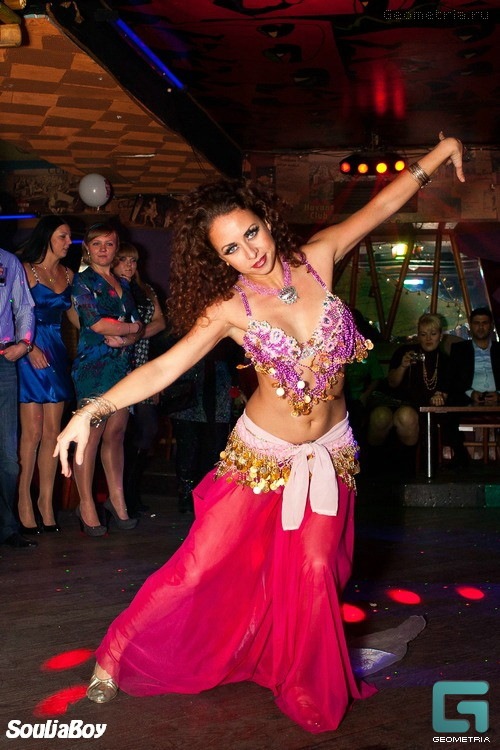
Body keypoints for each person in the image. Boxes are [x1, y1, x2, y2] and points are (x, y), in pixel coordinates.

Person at [55, 134, 464, 733]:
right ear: (220, 259)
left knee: (317, 569)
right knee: (198, 568)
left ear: (267, 222)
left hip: (330, 453)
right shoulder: (229, 308)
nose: (250, 252)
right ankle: (115, 652)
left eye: (252, 233)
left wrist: (439, 153)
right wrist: (90, 411)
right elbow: (164, 367)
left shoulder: (320, 257)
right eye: (232, 248)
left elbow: (381, 205)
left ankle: (304, 681)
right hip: (260, 459)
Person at [70, 223, 145, 536]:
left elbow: (138, 325)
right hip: (94, 367)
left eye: (109, 244)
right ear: (87, 247)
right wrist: (130, 329)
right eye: (97, 243)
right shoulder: (82, 281)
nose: (103, 249)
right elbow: (96, 324)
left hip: (121, 365)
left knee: (116, 433)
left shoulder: (123, 283)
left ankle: (117, 500)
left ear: (116, 247)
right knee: (92, 434)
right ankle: (86, 504)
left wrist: (127, 336)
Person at [16, 217, 79, 534]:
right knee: (32, 432)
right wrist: (28, 347)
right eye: (63, 236)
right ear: (47, 237)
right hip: (29, 350)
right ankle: (23, 501)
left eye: (69, 236)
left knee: (53, 433)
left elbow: (76, 318)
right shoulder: (25, 270)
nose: (69, 242)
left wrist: (102, 334)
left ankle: (45, 502)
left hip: (56, 353)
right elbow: (11, 314)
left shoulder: (68, 274)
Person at [113, 242, 166, 516]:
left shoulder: (146, 290)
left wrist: (138, 333)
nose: (129, 265)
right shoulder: (108, 288)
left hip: (142, 366)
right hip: (116, 367)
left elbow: (161, 322)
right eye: (123, 260)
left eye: (133, 261)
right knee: (119, 433)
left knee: (147, 429)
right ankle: (120, 496)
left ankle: (131, 491)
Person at [169, 338, 244, 513]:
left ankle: (207, 492)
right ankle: (186, 494)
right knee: (188, 445)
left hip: (219, 384)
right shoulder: (184, 325)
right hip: (189, 384)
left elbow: (237, 353)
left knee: (215, 445)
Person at [367, 313, 450, 457]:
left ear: (440, 336)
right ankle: (372, 461)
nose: (428, 338)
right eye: (423, 334)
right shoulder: (404, 352)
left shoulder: (445, 360)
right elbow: (392, 383)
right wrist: (403, 366)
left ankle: (408, 462)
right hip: (393, 401)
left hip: (422, 408)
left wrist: (440, 395)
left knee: (406, 416)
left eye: (433, 334)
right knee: (379, 417)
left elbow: (447, 389)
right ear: (418, 336)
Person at [0, 246, 37, 548]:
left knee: (8, 457)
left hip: (3, 361)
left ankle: (6, 527)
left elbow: (24, 306)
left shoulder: (8, 261)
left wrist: (24, 344)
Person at [448, 307, 500, 405]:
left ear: (491, 326)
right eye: (476, 323)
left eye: (484, 323)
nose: (480, 327)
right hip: (467, 402)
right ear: (470, 326)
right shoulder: (459, 350)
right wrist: (470, 393)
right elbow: (453, 378)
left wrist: (499, 395)